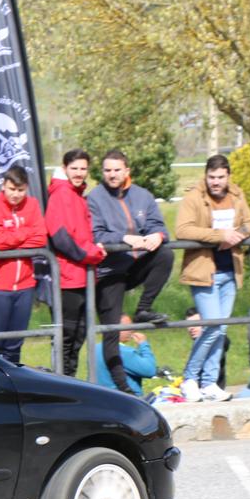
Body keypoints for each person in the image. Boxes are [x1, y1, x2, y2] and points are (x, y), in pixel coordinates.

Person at [87, 149, 174, 387]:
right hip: (109, 270)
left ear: (127, 170)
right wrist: (124, 238)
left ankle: (144, 309)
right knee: (112, 330)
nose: (112, 175)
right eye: (107, 170)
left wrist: (158, 235)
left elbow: (158, 225)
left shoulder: (142, 196)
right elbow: (96, 234)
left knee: (165, 254)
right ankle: (121, 387)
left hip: (135, 263)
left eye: (117, 170)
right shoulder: (94, 198)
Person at [175, 155, 250, 402]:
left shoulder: (237, 195)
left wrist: (238, 234)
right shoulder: (194, 197)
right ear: (206, 176)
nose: (216, 182)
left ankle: (209, 383)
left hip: (230, 271)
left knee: (219, 329)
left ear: (228, 176)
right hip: (203, 272)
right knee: (211, 326)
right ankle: (190, 378)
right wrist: (219, 235)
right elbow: (182, 230)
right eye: (211, 177)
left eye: (220, 177)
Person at [0, 166, 47, 365]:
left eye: (20, 190)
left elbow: (41, 237)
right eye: (11, 189)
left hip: (25, 285)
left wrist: (13, 240)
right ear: (3, 186)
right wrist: (25, 233)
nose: (16, 195)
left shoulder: (32, 205)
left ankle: (13, 384)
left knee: (15, 343)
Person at [44, 150, 106, 376]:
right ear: (65, 168)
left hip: (82, 273)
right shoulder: (61, 194)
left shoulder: (77, 194)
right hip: (68, 276)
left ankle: (69, 380)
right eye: (75, 168)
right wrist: (91, 253)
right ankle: (62, 381)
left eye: (83, 169)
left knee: (79, 333)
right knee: (67, 334)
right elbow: (61, 237)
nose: (79, 173)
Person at [94, 315, 158, 395]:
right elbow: (150, 370)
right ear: (116, 329)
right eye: (128, 327)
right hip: (126, 399)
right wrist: (143, 345)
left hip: (100, 396)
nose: (132, 330)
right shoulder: (123, 351)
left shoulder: (96, 348)